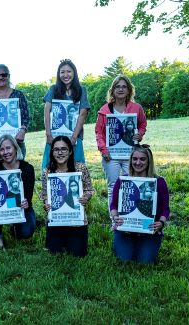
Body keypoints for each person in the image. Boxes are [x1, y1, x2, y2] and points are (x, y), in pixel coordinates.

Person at [110, 145, 169, 264]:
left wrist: (161, 223)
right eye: (134, 159)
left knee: (145, 261)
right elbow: (113, 205)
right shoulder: (122, 180)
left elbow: (165, 209)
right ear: (130, 160)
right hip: (125, 229)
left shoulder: (159, 182)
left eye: (142, 159)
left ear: (149, 161)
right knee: (124, 260)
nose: (138, 162)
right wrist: (115, 217)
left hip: (149, 230)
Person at [95, 75, 147, 205]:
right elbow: (99, 132)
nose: (121, 89)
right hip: (110, 155)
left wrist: (139, 135)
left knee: (131, 184)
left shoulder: (137, 108)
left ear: (129, 90)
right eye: (117, 86)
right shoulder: (105, 110)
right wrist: (103, 150)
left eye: (124, 86)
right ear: (112, 90)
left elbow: (142, 124)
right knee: (113, 187)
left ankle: (129, 220)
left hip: (131, 154)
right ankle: (115, 222)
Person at [40, 135, 94, 257]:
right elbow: (44, 194)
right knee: (54, 252)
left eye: (63, 149)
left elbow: (89, 189)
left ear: (70, 151)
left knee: (78, 254)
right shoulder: (47, 171)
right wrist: (46, 203)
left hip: (77, 220)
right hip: (56, 220)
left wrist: (86, 197)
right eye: (56, 149)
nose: (60, 153)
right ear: (52, 152)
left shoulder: (80, 168)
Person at [0, 135, 36, 248]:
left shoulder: (28, 168)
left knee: (25, 233)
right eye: (1, 149)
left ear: (15, 148)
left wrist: (26, 202)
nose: (5, 152)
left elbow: (28, 196)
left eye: (8, 148)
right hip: (5, 204)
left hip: (22, 207)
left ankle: (15, 227)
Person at [42, 59, 90, 170]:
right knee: (50, 167)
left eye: (69, 71)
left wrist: (74, 137)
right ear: (59, 74)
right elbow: (47, 110)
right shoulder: (53, 89)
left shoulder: (82, 90)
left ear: (74, 73)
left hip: (74, 137)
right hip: (54, 137)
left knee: (76, 167)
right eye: (62, 72)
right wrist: (48, 134)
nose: (65, 75)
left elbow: (82, 113)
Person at [0, 64, 29, 168]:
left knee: (17, 172)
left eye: (4, 74)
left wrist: (22, 131)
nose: (1, 77)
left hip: (16, 141)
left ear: (9, 76)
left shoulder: (19, 95)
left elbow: (26, 117)